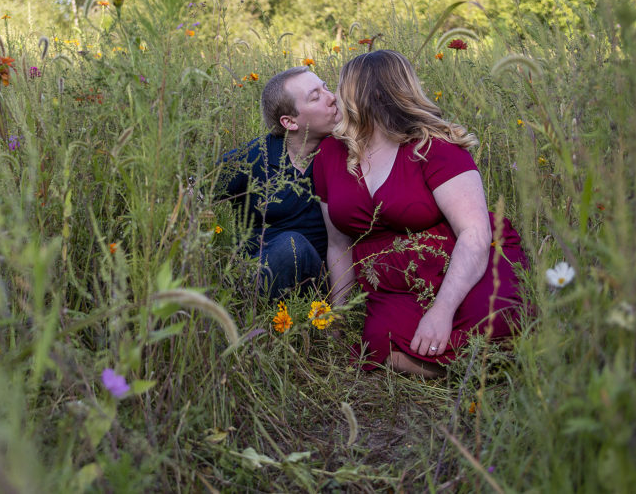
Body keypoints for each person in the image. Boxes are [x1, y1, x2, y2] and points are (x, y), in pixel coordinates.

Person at [313, 50, 529, 377]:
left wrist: (441, 311)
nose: (337, 98)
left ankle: (488, 363)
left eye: (344, 88)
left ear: (371, 95)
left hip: (461, 263)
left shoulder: (435, 147)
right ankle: (471, 367)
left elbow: (475, 234)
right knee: (381, 342)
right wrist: (337, 319)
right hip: (392, 282)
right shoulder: (330, 153)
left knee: (494, 325)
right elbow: (337, 244)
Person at [218, 66, 340, 299]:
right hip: (264, 276)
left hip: (320, 284)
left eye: (326, 87)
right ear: (290, 122)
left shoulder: (342, 150)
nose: (332, 97)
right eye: (316, 96)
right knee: (290, 246)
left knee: (296, 247)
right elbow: (193, 190)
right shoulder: (257, 155)